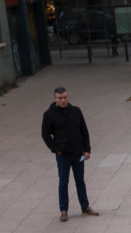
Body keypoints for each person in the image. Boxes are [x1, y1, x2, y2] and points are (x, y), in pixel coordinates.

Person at [41, 87, 100, 222]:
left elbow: (84, 131)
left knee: (80, 181)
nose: (63, 100)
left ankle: (85, 206)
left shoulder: (76, 111)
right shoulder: (50, 114)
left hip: (77, 152)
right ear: (55, 99)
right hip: (63, 154)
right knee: (63, 182)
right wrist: (55, 149)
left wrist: (87, 150)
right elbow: (45, 134)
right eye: (60, 98)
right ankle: (64, 210)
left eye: (65, 97)